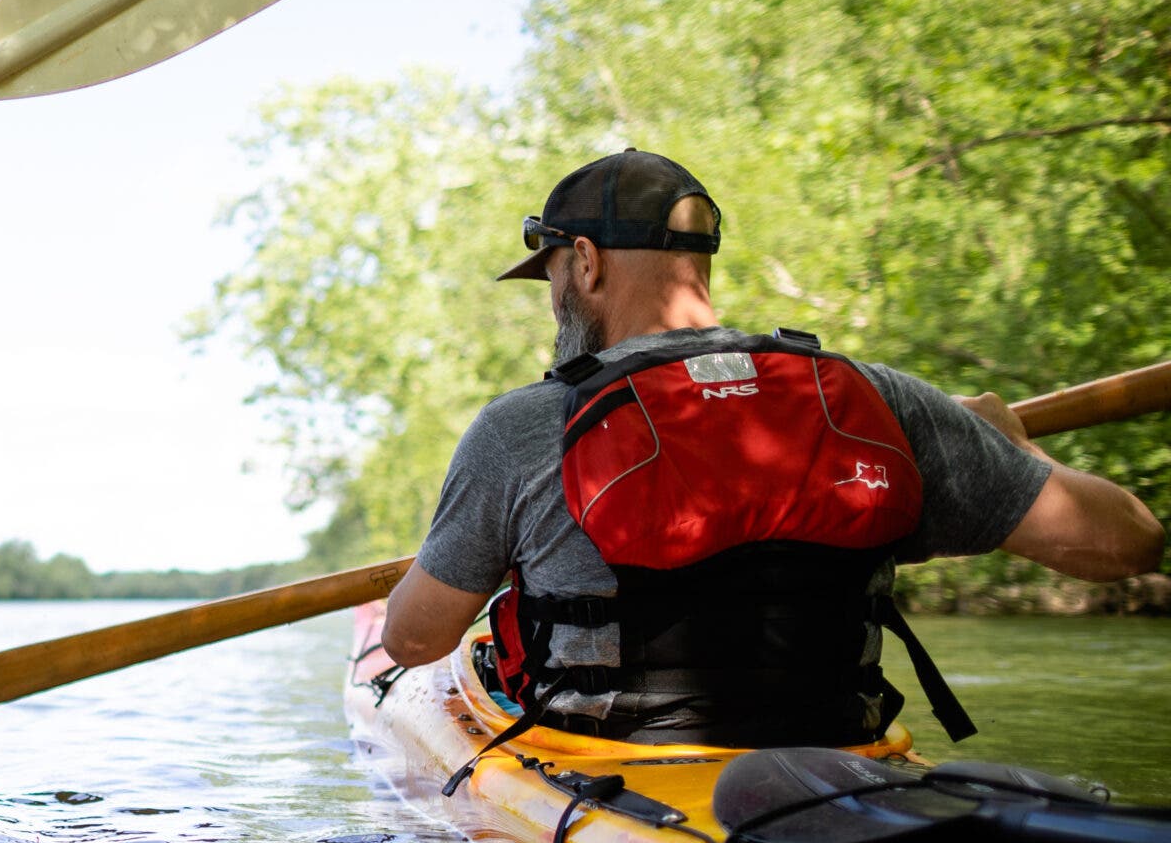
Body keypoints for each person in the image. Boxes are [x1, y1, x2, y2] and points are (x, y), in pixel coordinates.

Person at [380, 148, 1162, 747]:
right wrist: (1011, 447)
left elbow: (413, 639)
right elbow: (1131, 540)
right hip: (841, 760)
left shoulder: (524, 427)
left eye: (552, 273)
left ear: (584, 260)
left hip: (619, 776)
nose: (553, 300)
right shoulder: (870, 397)